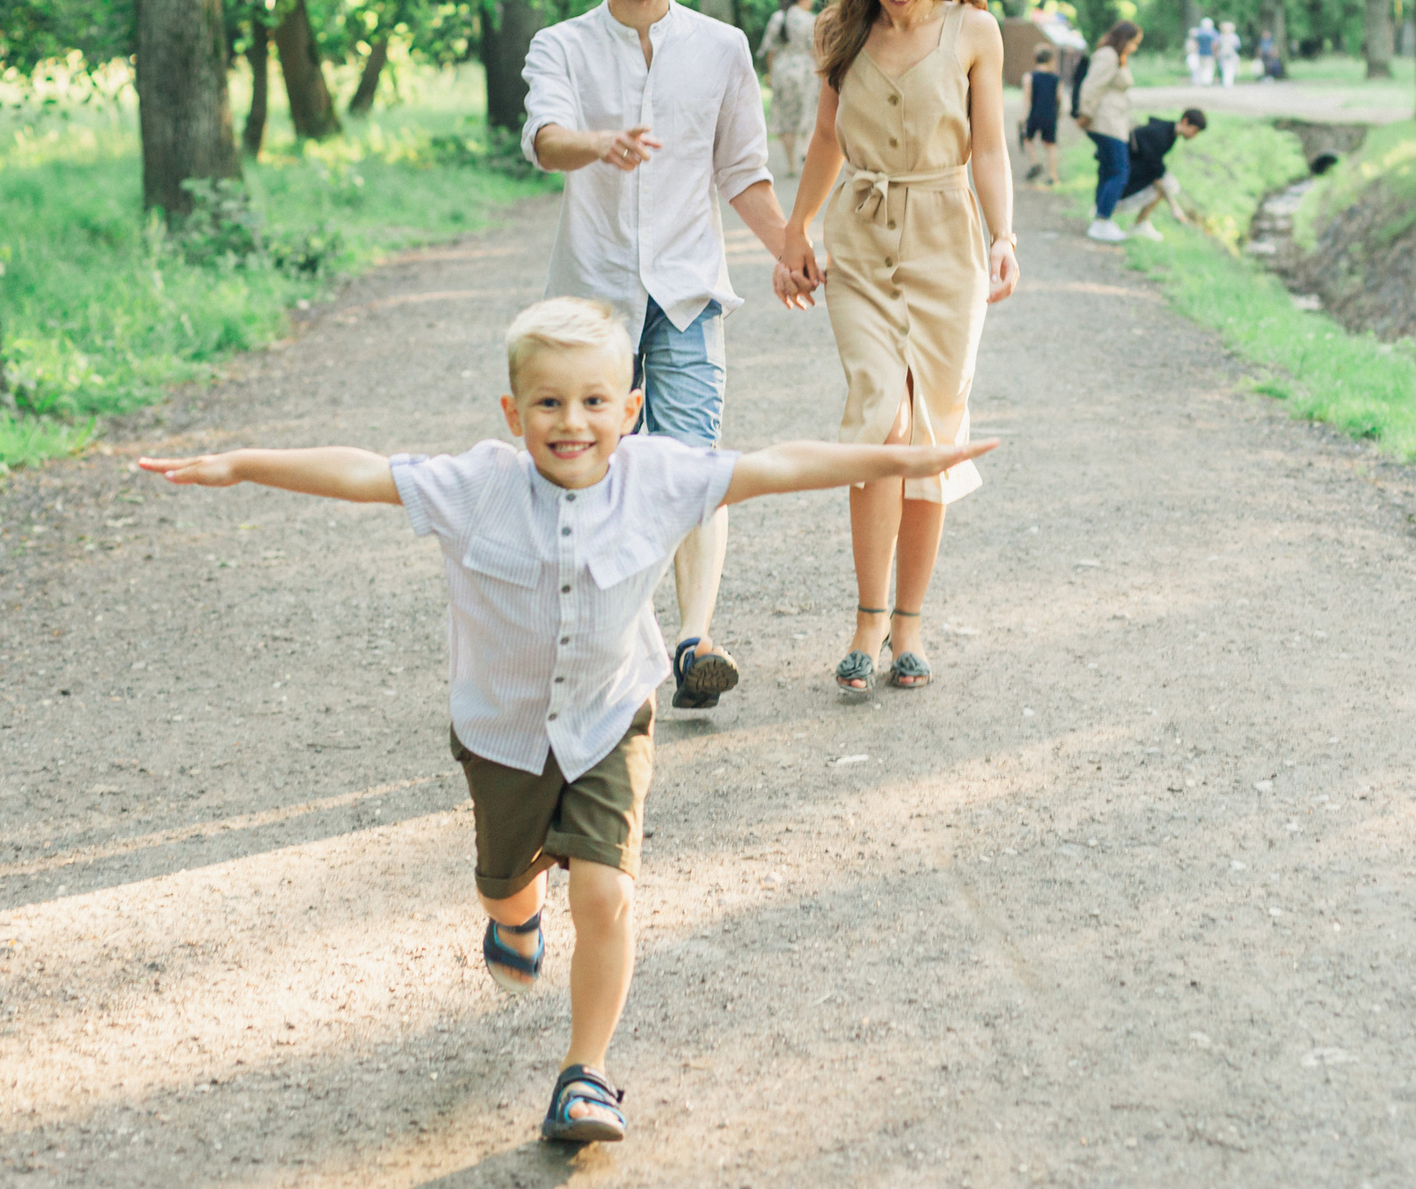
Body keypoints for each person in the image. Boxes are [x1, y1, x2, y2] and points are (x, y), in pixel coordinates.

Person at [139, 296, 991, 1146]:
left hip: (609, 717)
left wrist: (910, 457)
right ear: (514, 413)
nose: (571, 421)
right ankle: (515, 917)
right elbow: (362, 472)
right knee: (505, 888)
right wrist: (241, 463)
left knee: (606, 892)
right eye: (548, 402)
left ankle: (583, 1074)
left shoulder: (661, 474)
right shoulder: (474, 485)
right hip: (501, 733)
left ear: (629, 408)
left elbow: (780, 464)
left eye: (594, 401)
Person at [522, 0, 799, 712]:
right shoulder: (561, 45)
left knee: (694, 467)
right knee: (593, 471)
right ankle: (610, 643)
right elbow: (546, 140)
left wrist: (791, 250)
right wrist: (598, 143)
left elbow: (743, 171)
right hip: (594, 294)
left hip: (686, 290)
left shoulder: (722, 47)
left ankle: (693, 641)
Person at [777, 0, 1019, 693]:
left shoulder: (975, 31)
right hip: (862, 235)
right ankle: (866, 620)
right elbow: (822, 138)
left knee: (931, 432)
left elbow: (989, 151)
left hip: (947, 239)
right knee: (881, 412)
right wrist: (795, 230)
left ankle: (910, 625)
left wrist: (1003, 236)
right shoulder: (839, 29)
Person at [1074, 21, 1142, 244]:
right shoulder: (1108, 56)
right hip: (1105, 122)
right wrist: (1085, 112)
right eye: (1133, 43)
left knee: (1108, 169)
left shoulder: (1115, 56)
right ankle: (1102, 220)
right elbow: (1092, 85)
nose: (1134, 48)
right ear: (1124, 39)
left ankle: (1100, 216)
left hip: (1113, 122)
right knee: (1120, 170)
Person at [1113, 108, 1207, 238]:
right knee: (1167, 184)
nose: (1193, 136)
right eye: (1194, 131)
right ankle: (1137, 223)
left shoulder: (1168, 132)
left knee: (1167, 182)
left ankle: (1140, 222)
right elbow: (1156, 171)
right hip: (1126, 171)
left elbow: (1156, 167)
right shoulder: (1161, 134)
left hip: (1132, 168)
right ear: (1185, 121)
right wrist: (1174, 207)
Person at [760, 0, 818, 179]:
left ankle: (792, 165)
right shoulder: (810, 19)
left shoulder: (778, 18)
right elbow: (814, 49)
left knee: (785, 118)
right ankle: (805, 148)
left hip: (782, 70)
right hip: (805, 70)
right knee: (808, 111)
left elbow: (769, 50)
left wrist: (771, 74)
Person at [1020, 46, 1061, 185]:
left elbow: (1027, 99)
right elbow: (1059, 98)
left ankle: (1035, 163)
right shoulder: (1056, 78)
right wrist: (1058, 114)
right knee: (1050, 145)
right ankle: (1053, 176)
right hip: (1050, 115)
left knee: (1027, 139)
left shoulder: (1029, 77)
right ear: (1050, 59)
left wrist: (1023, 117)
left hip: (1034, 114)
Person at [1189, 16, 1218, 86]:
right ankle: (1207, 81)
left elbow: (1195, 43)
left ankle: (1200, 81)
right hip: (1209, 53)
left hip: (1200, 52)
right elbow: (1215, 44)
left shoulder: (1198, 32)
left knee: (1200, 67)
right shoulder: (1213, 32)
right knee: (1209, 67)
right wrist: (1215, 53)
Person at [1215, 19, 1242, 88]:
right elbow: (1238, 46)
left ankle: (1226, 82)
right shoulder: (1234, 37)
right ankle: (1228, 82)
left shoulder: (1220, 36)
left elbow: (1217, 45)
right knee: (1230, 68)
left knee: (1224, 68)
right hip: (1231, 54)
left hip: (1223, 54)